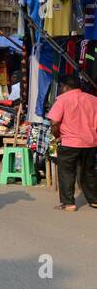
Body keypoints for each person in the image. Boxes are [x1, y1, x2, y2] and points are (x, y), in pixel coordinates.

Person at [45, 74, 97, 212]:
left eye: (62, 86)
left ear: (66, 87)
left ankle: (69, 203)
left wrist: (57, 135)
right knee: (88, 172)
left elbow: (54, 122)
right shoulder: (93, 100)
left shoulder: (62, 100)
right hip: (90, 142)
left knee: (66, 172)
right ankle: (94, 200)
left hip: (69, 142)